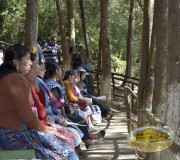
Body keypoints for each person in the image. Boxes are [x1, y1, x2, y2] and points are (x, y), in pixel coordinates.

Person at [0, 44, 78, 160]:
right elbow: (26, 114)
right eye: (27, 59)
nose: (31, 63)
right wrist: (44, 129)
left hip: (9, 133)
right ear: (16, 62)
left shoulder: (5, 78)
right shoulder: (16, 79)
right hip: (13, 134)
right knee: (66, 151)